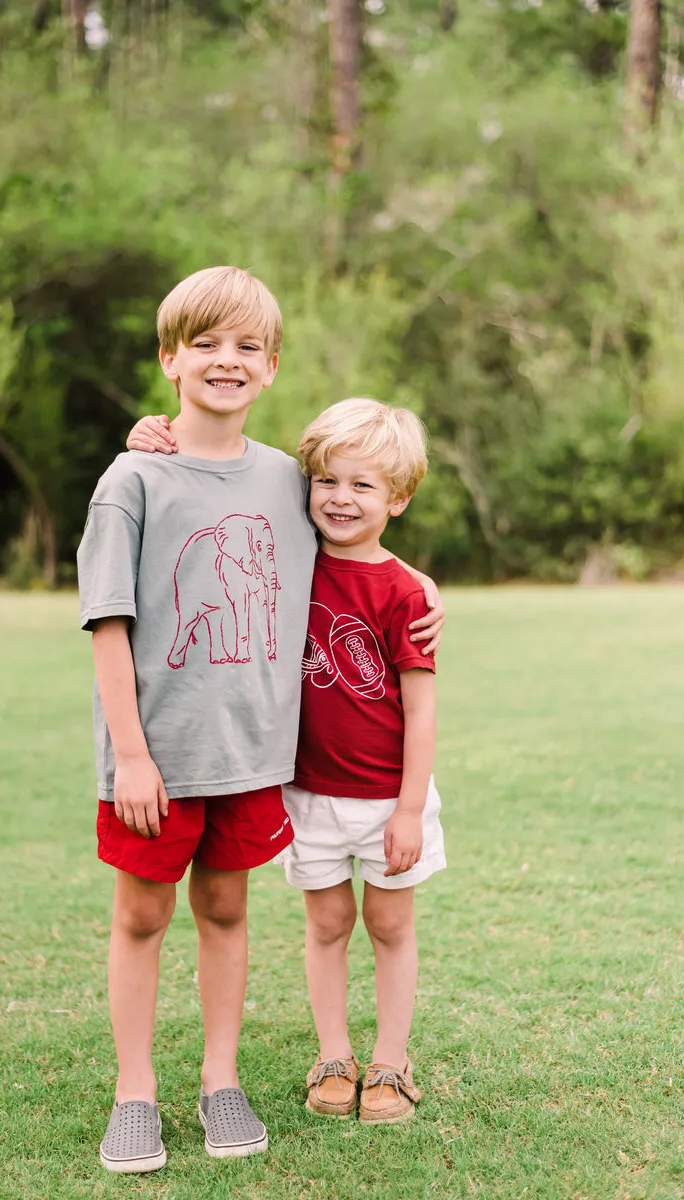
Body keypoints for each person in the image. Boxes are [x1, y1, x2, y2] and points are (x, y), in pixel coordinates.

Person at [79, 265, 444, 1173]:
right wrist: (130, 752)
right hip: (155, 759)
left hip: (251, 758)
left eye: (247, 347)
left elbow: (361, 540)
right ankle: (135, 1093)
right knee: (140, 917)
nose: (225, 361)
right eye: (204, 343)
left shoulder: (290, 481)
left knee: (228, 910)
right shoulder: (133, 480)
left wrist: (423, 587)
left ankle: (220, 1080)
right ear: (170, 357)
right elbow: (109, 623)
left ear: (273, 366)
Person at [283, 397, 445, 1127]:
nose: (341, 498)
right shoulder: (288, 565)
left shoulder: (406, 591)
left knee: (388, 924)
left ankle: (391, 1057)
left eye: (363, 486)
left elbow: (421, 707)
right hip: (308, 794)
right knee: (326, 924)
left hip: (387, 798)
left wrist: (410, 808)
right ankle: (335, 1054)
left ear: (399, 498)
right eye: (327, 481)